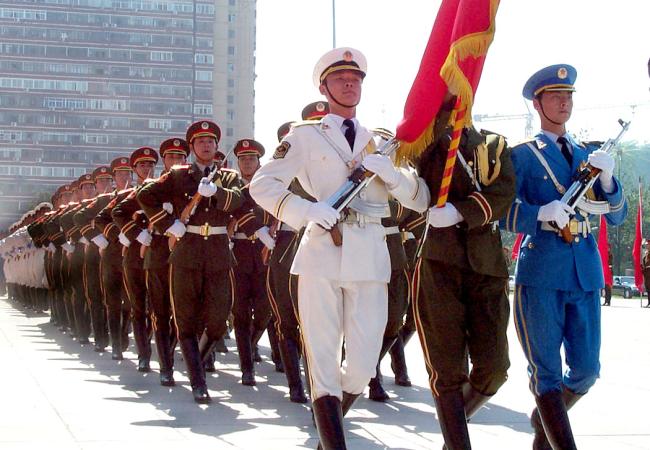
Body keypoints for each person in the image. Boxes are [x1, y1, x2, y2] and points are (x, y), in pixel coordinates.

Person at [249, 47, 429, 448]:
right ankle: (333, 441)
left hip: (370, 254)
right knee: (322, 355)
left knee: (363, 364)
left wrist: (394, 177)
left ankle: (326, 431)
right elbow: (261, 185)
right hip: (321, 254)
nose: (350, 84)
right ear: (324, 87)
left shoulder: (382, 144)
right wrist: (307, 209)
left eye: (356, 78)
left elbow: (421, 198)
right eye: (341, 79)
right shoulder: (306, 135)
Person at [503, 64, 628, 449]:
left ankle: (545, 417)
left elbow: (618, 215)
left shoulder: (589, 155)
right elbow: (500, 212)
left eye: (569, 95)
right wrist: (539, 213)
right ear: (537, 103)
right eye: (556, 96)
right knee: (546, 376)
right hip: (541, 270)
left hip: (585, 272)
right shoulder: (521, 156)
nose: (564, 102)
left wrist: (608, 181)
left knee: (587, 371)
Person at [409, 94, 515, 448]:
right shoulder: (424, 143)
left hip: (485, 265)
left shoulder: (493, 144)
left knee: (494, 368)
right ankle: (457, 441)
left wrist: (461, 212)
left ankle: (453, 429)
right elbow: (411, 180)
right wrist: (435, 132)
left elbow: (503, 193)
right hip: (439, 262)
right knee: (447, 371)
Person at [137, 120, 245, 403]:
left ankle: (195, 361)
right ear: (193, 148)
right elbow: (144, 195)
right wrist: (169, 225)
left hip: (219, 253)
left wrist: (217, 194)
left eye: (210, 141)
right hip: (187, 252)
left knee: (218, 321)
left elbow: (240, 201)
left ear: (216, 146)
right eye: (200, 142)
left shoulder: (229, 177)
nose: (206, 145)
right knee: (184, 321)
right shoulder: (178, 175)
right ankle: (198, 381)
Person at [229, 138, 276, 386]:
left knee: (265, 309)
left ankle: (251, 342)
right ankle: (246, 367)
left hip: (263, 251)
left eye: (251, 159)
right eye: (243, 159)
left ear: (259, 162)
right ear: (238, 163)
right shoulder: (231, 186)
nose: (248, 163)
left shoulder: (266, 186)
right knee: (240, 311)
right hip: (237, 250)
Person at [112, 147, 159, 372]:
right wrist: (130, 233)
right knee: (138, 306)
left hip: (157, 254)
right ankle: (143, 354)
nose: (147, 168)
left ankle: (156, 348)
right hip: (133, 256)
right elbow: (109, 217)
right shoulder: (125, 195)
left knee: (158, 307)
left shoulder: (160, 190)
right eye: (142, 165)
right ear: (134, 170)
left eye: (150, 165)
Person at [643, 239, 650, 307]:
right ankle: (649, 302)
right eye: (647, 245)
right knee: (648, 289)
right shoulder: (646, 253)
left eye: (648, 245)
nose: (647, 246)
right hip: (646, 274)